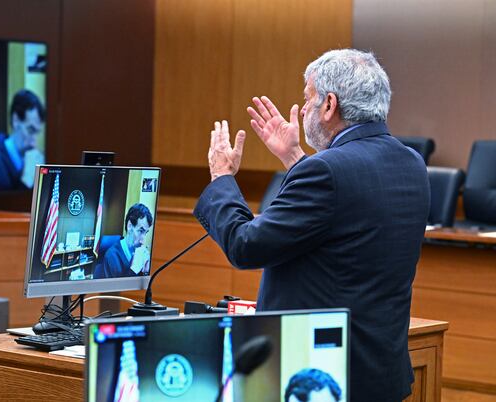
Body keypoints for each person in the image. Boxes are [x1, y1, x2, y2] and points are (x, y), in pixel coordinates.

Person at [193, 49, 429, 401]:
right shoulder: (411, 163)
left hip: (319, 375)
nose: (302, 111)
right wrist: (294, 158)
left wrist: (221, 178)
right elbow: (345, 215)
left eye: (307, 100)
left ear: (330, 105)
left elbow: (246, 246)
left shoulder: (327, 171)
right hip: (379, 373)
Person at [0, 89, 45, 191]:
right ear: (15, 121)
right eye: (30, 130)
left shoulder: (31, 157)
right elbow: (9, 205)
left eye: (37, 133)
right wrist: (28, 177)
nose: (34, 142)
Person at [102, 203, 153, 278]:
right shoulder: (111, 256)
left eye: (145, 233)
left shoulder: (138, 253)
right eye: (140, 231)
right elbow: (117, 288)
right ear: (129, 226)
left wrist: (145, 272)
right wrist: (134, 269)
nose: (143, 241)